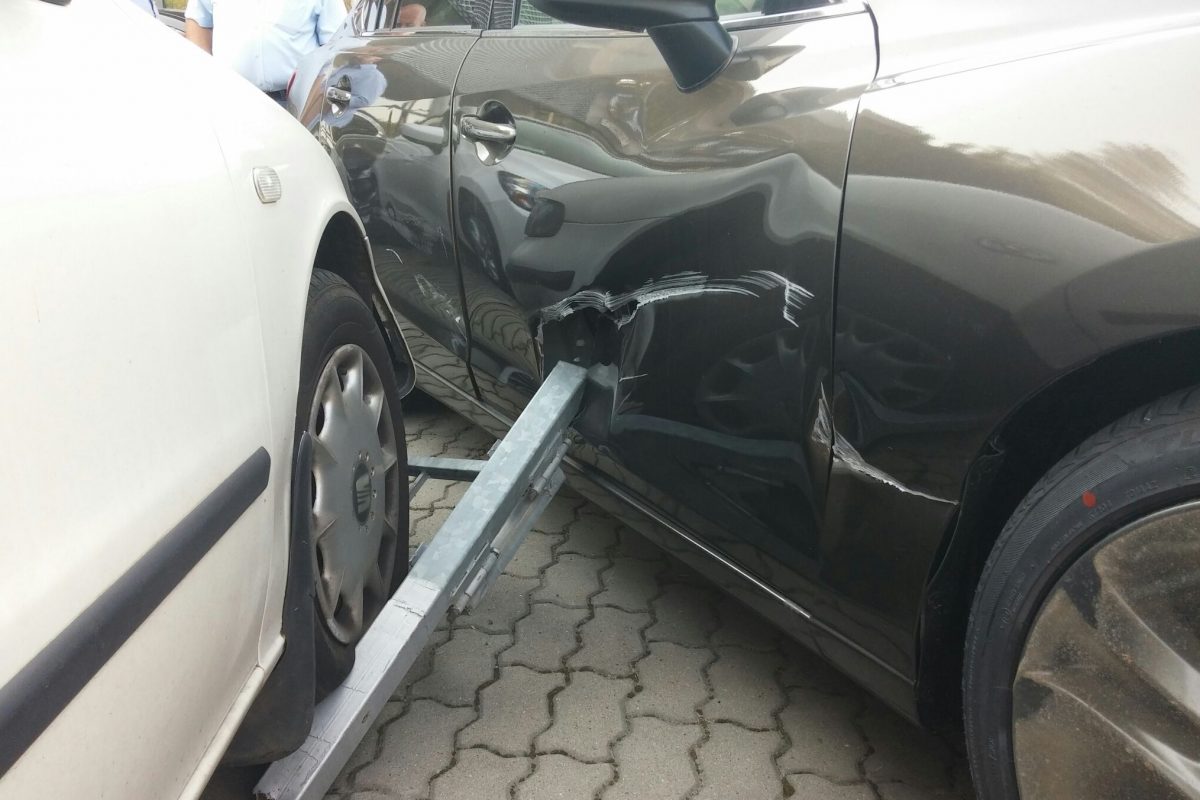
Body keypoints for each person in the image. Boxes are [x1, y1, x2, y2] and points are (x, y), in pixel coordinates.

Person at [184, 0, 347, 103]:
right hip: (229, 101)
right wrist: (206, 80)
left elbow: (336, 45)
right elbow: (198, 21)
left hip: (294, 105)